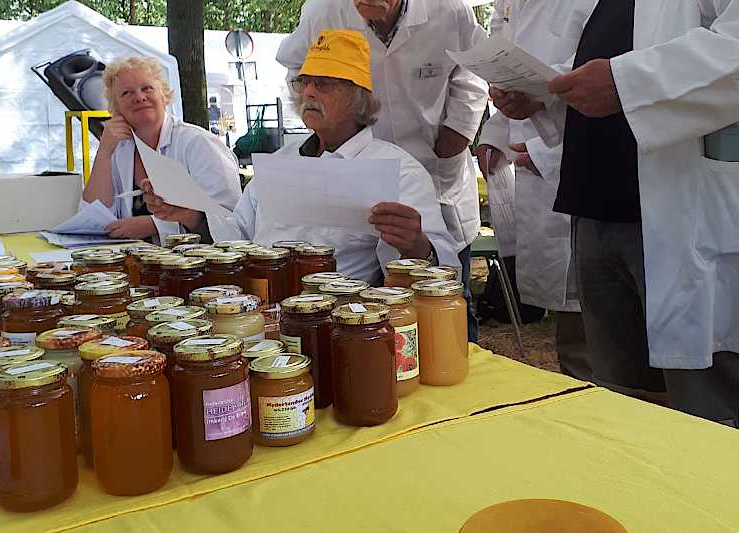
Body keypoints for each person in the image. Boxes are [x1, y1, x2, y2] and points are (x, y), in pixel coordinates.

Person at [496, 0, 739, 439]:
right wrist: (546, 94)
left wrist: (625, 83)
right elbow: (622, 49)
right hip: (597, 207)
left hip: (687, 218)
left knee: (722, 420)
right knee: (626, 411)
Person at [153, 30, 458, 286]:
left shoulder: (399, 171)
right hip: (263, 305)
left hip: (343, 318)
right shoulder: (281, 163)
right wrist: (191, 215)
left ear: (357, 96)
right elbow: (238, 236)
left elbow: (444, 270)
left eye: (324, 83)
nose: (309, 92)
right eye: (305, 81)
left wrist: (417, 245)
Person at [276, 0, 488, 340]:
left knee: (444, 304)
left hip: (436, 170)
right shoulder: (322, 11)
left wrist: (455, 138)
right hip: (353, 157)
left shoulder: (448, 10)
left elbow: (475, 71)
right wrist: (324, 118)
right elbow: (295, 68)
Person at [476, 0, 596, 380]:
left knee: (598, 339)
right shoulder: (512, 4)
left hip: (589, 177)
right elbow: (505, 76)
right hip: (541, 172)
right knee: (573, 341)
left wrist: (549, 153)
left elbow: (611, 88)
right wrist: (496, 134)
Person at [83, 56, 241, 245]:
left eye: (147, 88)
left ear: (164, 95)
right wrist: (104, 151)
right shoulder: (120, 149)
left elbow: (231, 219)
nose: (139, 97)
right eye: (126, 93)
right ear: (115, 108)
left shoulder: (198, 143)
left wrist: (153, 225)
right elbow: (92, 214)